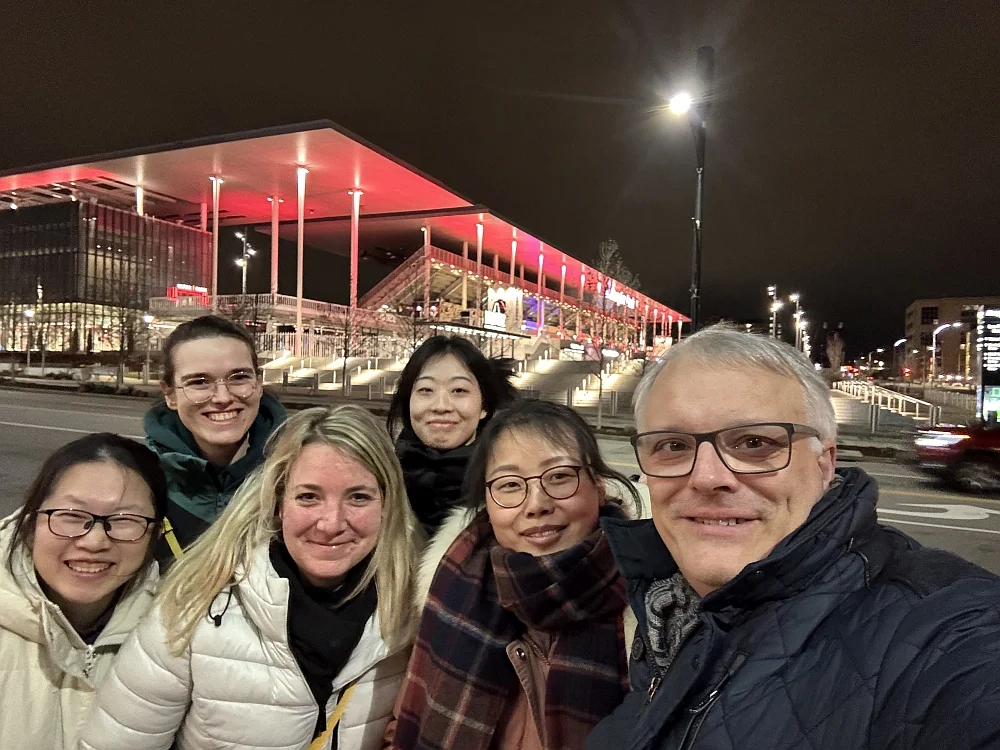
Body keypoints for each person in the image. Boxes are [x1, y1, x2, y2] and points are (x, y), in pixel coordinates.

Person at [586, 325, 1000, 750]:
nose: (707, 477)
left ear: (825, 465)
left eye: (753, 442)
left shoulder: (949, 635)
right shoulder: (667, 610)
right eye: (672, 446)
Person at [81, 405, 420, 750]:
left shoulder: (413, 614)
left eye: (358, 497)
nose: (331, 523)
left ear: (386, 505)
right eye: (308, 497)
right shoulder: (196, 605)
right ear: (277, 502)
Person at [390, 399, 643, 750]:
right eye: (509, 485)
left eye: (559, 477)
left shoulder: (654, 606)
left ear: (598, 487)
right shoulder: (453, 585)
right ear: (488, 504)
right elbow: (409, 716)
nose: (536, 503)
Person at [0, 433, 167, 750]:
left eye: (124, 520)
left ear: (155, 534)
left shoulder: (174, 638)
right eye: (72, 516)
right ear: (31, 520)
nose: (94, 542)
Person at [145, 314, 286, 562]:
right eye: (199, 382)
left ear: (259, 383)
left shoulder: (294, 471)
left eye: (239, 377)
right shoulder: (139, 481)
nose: (222, 397)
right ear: (170, 395)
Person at [387, 335, 517, 536]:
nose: (441, 406)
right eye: (426, 390)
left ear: (485, 406)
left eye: (459, 390)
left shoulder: (513, 491)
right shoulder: (378, 485)